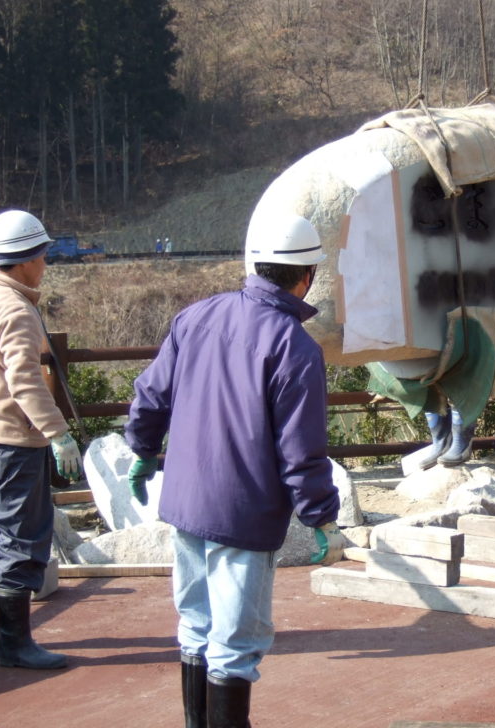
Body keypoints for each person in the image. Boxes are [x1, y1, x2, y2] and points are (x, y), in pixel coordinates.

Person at [123, 213, 344, 728]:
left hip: (185, 501)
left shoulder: (195, 316)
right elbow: (301, 452)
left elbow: (150, 395)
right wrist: (322, 519)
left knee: (195, 625)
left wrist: (142, 448)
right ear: (306, 274)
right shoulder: (294, 345)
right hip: (243, 513)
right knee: (235, 645)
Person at [0, 209, 84, 669]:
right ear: (26, 260)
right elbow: (24, 381)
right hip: (13, 444)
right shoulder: (15, 310)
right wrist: (59, 435)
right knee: (21, 539)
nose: (45, 263)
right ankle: (15, 642)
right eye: (43, 255)